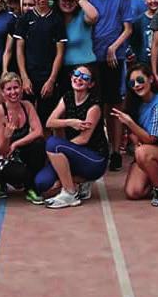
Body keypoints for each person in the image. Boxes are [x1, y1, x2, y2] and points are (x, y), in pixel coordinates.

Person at [36, 65, 108, 208]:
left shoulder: (94, 105)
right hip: (73, 153)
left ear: (91, 84)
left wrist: (61, 150)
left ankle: (70, 193)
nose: (79, 78)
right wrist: (70, 122)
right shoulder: (67, 97)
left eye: (85, 77)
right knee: (42, 184)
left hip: (94, 158)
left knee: (52, 144)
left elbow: (83, 139)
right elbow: (50, 122)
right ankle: (79, 182)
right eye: (76, 74)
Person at [86, 0, 135, 171]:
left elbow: (128, 29)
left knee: (114, 106)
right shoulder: (92, 0)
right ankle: (103, 147)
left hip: (114, 58)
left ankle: (116, 150)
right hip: (95, 58)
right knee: (99, 105)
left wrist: (113, 48)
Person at [113, 64, 158, 206]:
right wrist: (134, 136)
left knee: (142, 152)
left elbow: (151, 139)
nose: (137, 85)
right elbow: (134, 134)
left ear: (151, 79)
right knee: (133, 192)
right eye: (132, 83)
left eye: (140, 80)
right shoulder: (136, 102)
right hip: (148, 151)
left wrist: (130, 123)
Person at [0, 72, 46, 204]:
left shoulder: (27, 106)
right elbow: (1, 150)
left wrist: (16, 143)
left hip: (17, 149)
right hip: (0, 155)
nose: (13, 92)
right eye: (9, 89)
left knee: (39, 145)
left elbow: (39, 131)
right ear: (3, 92)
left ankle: (30, 188)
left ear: (21, 88)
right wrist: (7, 137)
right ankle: (0, 179)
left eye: (16, 88)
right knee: (21, 174)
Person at [13, 0, 67, 125]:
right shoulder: (25, 19)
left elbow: (60, 53)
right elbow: (19, 49)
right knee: (25, 118)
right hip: (29, 77)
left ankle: (46, 147)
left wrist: (51, 80)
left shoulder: (57, 20)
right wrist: (24, 77)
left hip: (48, 78)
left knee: (46, 120)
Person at [130, 0, 158, 72]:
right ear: (145, 0)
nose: (153, 1)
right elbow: (134, 43)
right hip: (144, 64)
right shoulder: (138, 21)